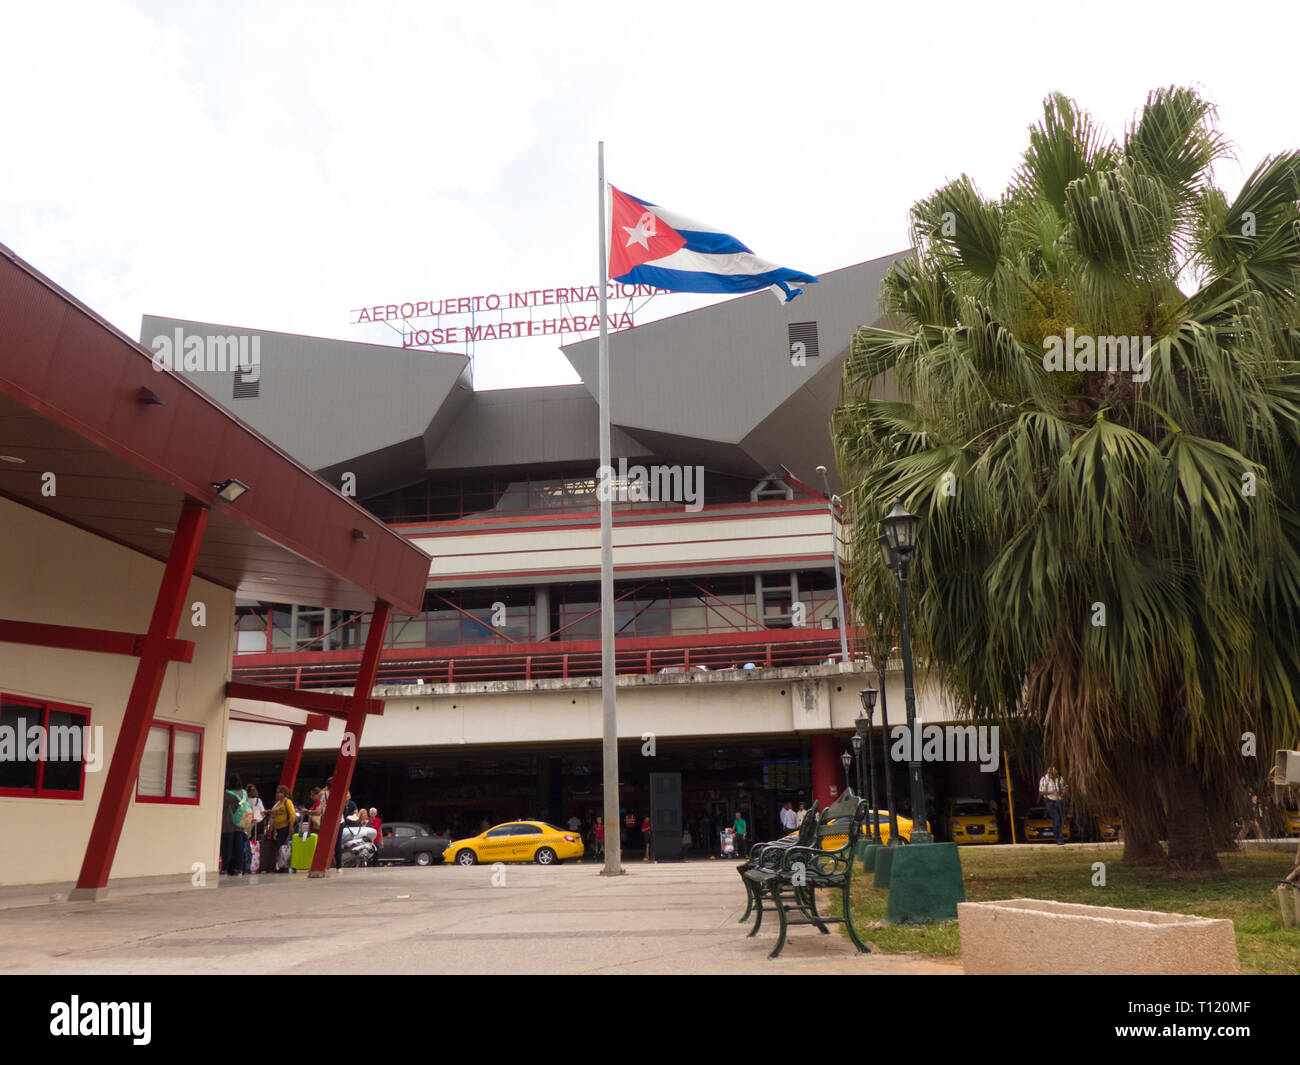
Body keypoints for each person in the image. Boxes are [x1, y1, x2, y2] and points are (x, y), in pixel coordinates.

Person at [220, 774, 246, 875]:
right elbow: (244, 804)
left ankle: (225, 868)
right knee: (239, 846)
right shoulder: (244, 793)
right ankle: (239, 867)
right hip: (240, 824)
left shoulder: (228, 794)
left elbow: (223, 807)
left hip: (228, 824)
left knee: (227, 847)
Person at [266, 784, 296, 873]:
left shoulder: (287, 802)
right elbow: (276, 813)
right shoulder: (278, 804)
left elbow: (292, 814)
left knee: (282, 846)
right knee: (280, 847)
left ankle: (285, 866)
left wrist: (291, 826)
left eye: (279, 793)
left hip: (285, 827)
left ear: (284, 793)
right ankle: (282, 865)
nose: (277, 794)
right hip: (278, 828)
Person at [1038, 765, 1067, 845]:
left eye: (1055, 773)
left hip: (1059, 800)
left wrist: (1063, 790)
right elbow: (1041, 791)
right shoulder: (1044, 779)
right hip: (1050, 801)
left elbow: (1063, 787)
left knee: (1060, 820)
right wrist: (1051, 792)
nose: (1054, 775)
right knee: (1056, 820)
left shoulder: (1060, 779)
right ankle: (1059, 839)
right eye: (1053, 773)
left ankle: (1060, 838)